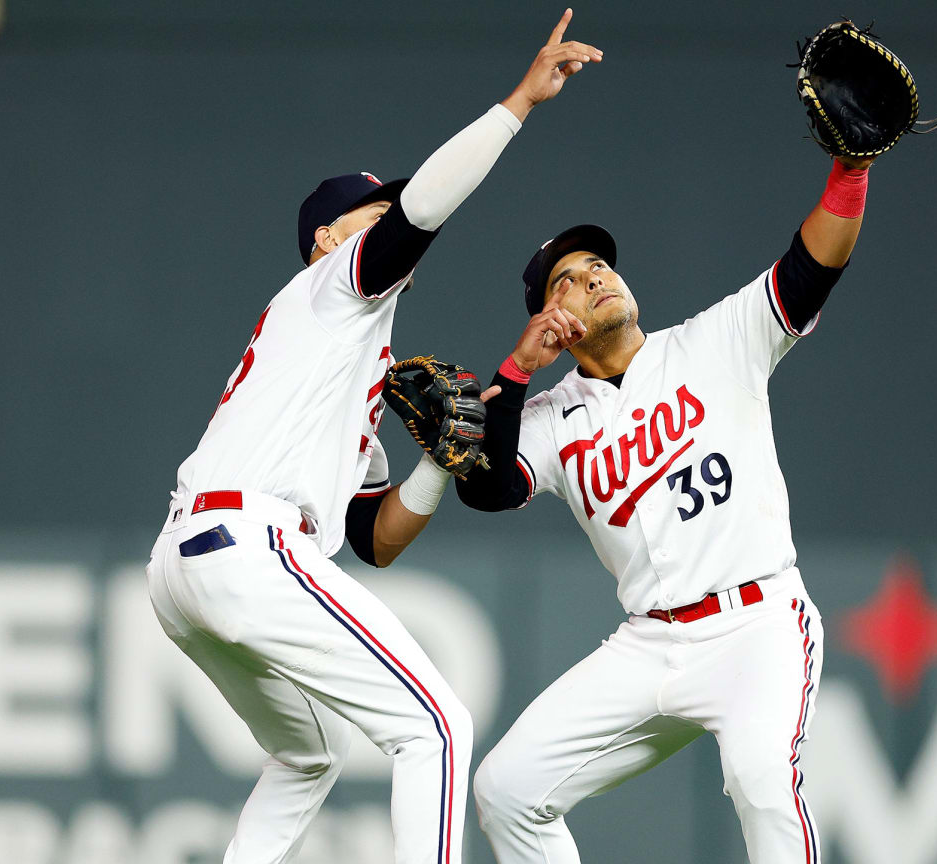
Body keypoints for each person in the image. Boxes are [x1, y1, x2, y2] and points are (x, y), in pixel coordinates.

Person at [143, 12, 602, 864]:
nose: (388, 218)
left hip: (189, 564)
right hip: (245, 542)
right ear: (324, 238)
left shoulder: (347, 367)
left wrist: (433, 462)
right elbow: (424, 209)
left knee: (309, 752)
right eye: (369, 213)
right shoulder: (332, 287)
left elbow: (373, 541)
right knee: (437, 725)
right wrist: (519, 105)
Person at [456, 151, 876, 863]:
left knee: (763, 778)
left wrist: (851, 169)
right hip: (649, 644)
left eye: (599, 266)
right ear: (551, 319)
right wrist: (518, 370)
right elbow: (486, 487)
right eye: (569, 279)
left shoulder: (716, 341)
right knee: (507, 789)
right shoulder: (555, 418)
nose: (594, 276)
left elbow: (811, 269)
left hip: (757, 625)